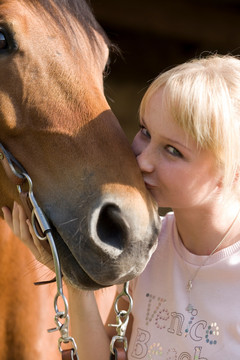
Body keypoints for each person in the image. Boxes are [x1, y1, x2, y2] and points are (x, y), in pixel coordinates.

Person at [2, 53, 240, 359]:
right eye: (145, 132)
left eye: (172, 150)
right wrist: (73, 278)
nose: (142, 160)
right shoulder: (147, 245)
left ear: (233, 171)